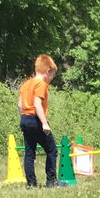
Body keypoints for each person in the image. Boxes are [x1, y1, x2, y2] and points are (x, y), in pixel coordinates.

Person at [19, 54, 60, 188]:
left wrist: (24, 120)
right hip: (35, 120)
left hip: (24, 118)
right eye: (52, 75)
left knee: (29, 153)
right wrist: (44, 123)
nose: (51, 79)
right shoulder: (41, 84)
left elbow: (20, 105)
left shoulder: (26, 84)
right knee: (52, 150)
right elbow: (37, 105)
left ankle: (31, 183)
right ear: (48, 71)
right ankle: (51, 181)